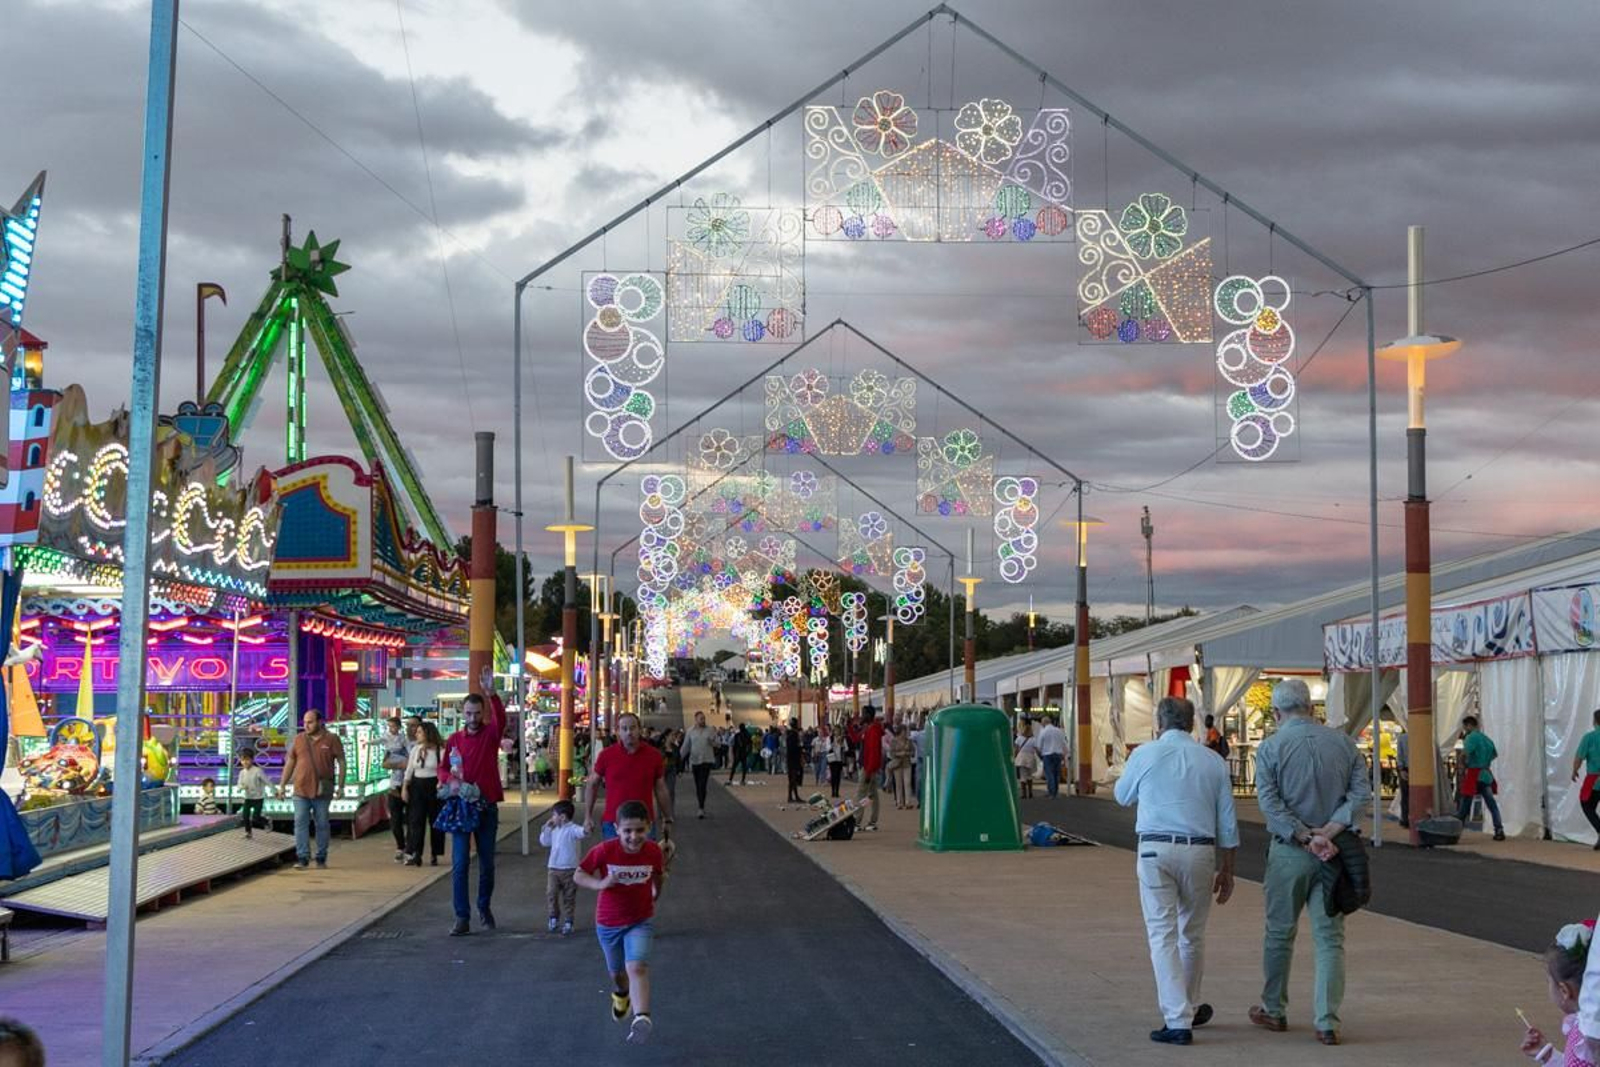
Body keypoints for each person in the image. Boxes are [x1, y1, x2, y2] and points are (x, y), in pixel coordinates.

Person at [1250, 678, 1372, 1046]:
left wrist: (1305, 836)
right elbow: (1360, 793)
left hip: (1290, 851)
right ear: (1311, 708)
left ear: (1276, 712)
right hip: (1333, 852)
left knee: (1279, 932)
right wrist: (1330, 831)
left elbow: (1270, 803)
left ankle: (1274, 1009)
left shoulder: (1270, 748)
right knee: (1330, 938)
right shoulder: (1344, 743)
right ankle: (1327, 1021)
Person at [1114, 696, 1239, 1046]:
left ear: (1159, 722)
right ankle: (1188, 1006)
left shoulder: (1145, 754)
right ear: (1192, 723)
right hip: (1200, 851)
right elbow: (1227, 823)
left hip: (1155, 848)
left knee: (1162, 934)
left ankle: (1177, 1018)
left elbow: (1122, 796)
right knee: (1192, 934)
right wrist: (1228, 870)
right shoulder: (1213, 761)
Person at [575, 799, 666, 1046]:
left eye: (640, 830)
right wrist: (600, 884)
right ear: (617, 829)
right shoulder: (605, 850)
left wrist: (656, 892)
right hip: (608, 922)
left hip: (640, 919)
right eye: (627, 831)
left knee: (637, 967)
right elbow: (579, 874)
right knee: (617, 973)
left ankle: (642, 1018)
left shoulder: (653, 851)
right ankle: (621, 995)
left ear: (648, 827)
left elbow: (658, 874)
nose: (634, 837)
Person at [441, 668, 508, 935]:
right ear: (462, 713)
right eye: (468, 713)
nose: (472, 718)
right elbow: (443, 768)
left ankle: (483, 906)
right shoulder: (454, 740)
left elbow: (500, 720)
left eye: (477, 713)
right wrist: (450, 780)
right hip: (461, 807)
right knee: (459, 864)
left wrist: (492, 694)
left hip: (486, 806)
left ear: (483, 713)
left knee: (487, 863)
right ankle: (461, 916)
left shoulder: (491, 735)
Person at [584, 712, 673, 842]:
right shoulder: (606, 755)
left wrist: (667, 818)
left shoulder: (654, 756)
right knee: (614, 862)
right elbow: (592, 785)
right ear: (618, 731)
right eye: (624, 729)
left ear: (639, 730)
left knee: (645, 862)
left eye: (632, 728)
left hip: (644, 824)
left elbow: (661, 788)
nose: (629, 732)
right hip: (613, 824)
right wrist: (587, 816)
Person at [276, 709, 346, 870]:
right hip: (300, 789)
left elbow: (342, 762)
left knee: (322, 823)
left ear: (319, 722)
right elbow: (290, 763)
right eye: (305, 722)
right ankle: (302, 857)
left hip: (322, 790)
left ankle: (321, 856)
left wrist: (341, 786)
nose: (306, 725)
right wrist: (282, 785)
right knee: (300, 822)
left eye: (310, 722)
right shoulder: (299, 739)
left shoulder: (332, 739)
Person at [1521, 919, 1598, 1066]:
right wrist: (1547, 1055)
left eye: (1548, 981)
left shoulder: (1586, 1040)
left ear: (1564, 990)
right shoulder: (1587, 1027)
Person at [540, 799, 587, 936]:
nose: (552, 818)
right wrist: (547, 828)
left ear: (562, 817)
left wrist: (587, 827)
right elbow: (544, 842)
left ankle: (568, 921)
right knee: (551, 893)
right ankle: (553, 916)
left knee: (569, 897)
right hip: (553, 869)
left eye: (554, 815)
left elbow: (582, 832)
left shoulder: (573, 829)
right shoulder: (553, 830)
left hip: (570, 870)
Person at [402, 721, 445, 866]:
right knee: (415, 821)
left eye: (420, 732)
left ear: (428, 733)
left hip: (435, 786)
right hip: (417, 785)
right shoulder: (416, 749)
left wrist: (442, 783)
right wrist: (405, 787)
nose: (416, 734)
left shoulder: (440, 750)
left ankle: (435, 853)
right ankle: (415, 852)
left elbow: (444, 770)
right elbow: (409, 769)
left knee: (435, 821)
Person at [1457, 714, 1506, 841]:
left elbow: (1464, 753)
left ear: (1468, 725)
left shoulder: (1470, 738)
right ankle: (1499, 829)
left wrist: (1463, 765)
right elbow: (1494, 754)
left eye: (1464, 727)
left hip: (1474, 774)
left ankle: (1456, 830)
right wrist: (1485, 761)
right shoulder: (1486, 739)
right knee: (1491, 804)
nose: (1464, 730)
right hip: (1486, 774)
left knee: (1465, 804)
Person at [380, 711, 411, 862]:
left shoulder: (406, 741)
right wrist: (400, 764)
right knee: (395, 820)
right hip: (395, 786)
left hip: (411, 785)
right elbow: (385, 763)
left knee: (413, 820)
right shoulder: (390, 741)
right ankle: (401, 846)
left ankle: (410, 848)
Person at [1571, 710, 1600, 849]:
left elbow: (1579, 757)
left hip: (1595, 779)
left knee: (1586, 804)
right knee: (1591, 807)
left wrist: (1575, 770)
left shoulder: (1589, 737)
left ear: (1595, 721)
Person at [680, 711, 717, 819]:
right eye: (701, 718)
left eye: (704, 718)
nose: (703, 720)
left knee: (702, 783)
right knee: (698, 785)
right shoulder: (690, 731)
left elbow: (718, 743)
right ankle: (701, 805)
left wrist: (713, 742)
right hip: (695, 761)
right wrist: (679, 758)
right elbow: (686, 746)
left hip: (706, 760)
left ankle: (701, 808)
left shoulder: (710, 730)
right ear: (696, 719)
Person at [855, 704, 884, 831]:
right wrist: (852, 726)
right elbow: (855, 739)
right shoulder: (869, 729)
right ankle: (873, 821)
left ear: (868, 715)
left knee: (861, 794)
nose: (861, 716)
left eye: (863, 713)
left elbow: (873, 752)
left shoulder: (872, 730)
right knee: (872, 795)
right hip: (868, 766)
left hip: (868, 767)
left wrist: (868, 770)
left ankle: (856, 821)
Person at [1035, 714, 1068, 798]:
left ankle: (1051, 792)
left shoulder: (1043, 732)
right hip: (1058, 754)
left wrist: (1040, 756)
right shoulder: (1058, 731)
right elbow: (1064, 744)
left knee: (1049, 774)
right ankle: (1056, 792)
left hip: (1047, 755)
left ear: (1043, 723)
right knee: (1056, 773)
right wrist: (1066, 754)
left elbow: (1039, 746)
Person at [237, 750, 268, 838]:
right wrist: (241, 788)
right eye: (243, 760)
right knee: (245, 815)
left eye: (247, 760)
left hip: (258, 798)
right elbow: (239, 784)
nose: (245, 762)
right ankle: (248, 832)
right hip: (248, 798)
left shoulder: (258, 771)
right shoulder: (242, 773)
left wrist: (276, 791)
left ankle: (266, 821)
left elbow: (267, 781)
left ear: (252, 760)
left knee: (256, 817)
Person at [888, 723, 914, 809]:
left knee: (907, 783)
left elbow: (913, 752)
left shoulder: (909, 741)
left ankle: (908, 802)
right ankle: (899, 803)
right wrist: (899, 754)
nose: (905, 733)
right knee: (898, 784)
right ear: (900, 731)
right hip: (897, 764)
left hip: (907, 763)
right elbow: (891, 753)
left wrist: (907, 753)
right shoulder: (894, 741)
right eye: (904, 731)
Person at [1015, 719, 1040, 799]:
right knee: (1029, 775)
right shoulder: (1033, 739)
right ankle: (1030, 792)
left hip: (1021, 757)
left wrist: (1014, 757)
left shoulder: (1019, 738)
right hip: (1030, 757)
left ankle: (1023, 793)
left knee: (1023, 775)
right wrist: (1040, 756)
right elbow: (1036, 749)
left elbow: (1016, 749)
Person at [786, 718, 805, 803]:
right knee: (793, 778)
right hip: (794, 758)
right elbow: (794, 747)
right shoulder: (794, 734)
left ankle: (792, 796)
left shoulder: (789, 734)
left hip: (790, 758)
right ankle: (793, 796)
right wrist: (800, 749)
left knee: (792, 779)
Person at [826, 726, 847, 799]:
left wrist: (842, 744)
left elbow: (846, 748)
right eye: (835, 731)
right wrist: (833, 743)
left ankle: (837, 792)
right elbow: (827, 748)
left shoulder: (842, 739)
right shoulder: (830, 738)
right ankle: (833, 791)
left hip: (839, 759)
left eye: (838, 731)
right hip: (832, 758)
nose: (837, 732)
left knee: (838, 776)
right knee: (833, 775)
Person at [1397, 728, 1411, 829]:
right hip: (1420, 768)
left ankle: (1405, 818)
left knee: (1405, 795)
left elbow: (1399, 754)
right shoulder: (1423, 736)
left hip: (1406, 768)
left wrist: (1401, 769)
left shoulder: (1402, 738)